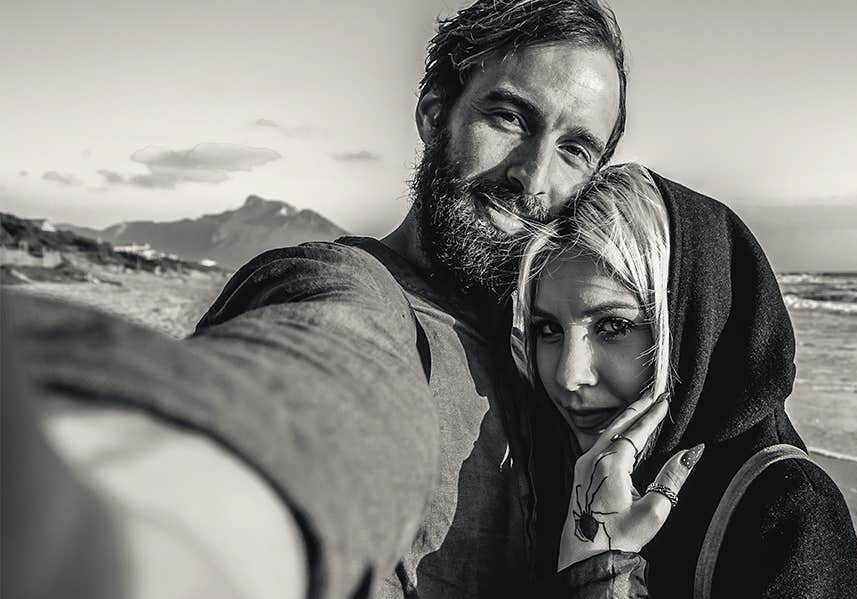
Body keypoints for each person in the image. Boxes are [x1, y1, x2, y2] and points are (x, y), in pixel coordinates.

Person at [3, 1, 628, 598]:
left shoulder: (552, 354)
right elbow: (322, 379)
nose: (534, 175)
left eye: (574, 149)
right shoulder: (347, 287)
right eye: (510, 117)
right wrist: (141, 527)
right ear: (436, 114)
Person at [511, 164, 857, 597]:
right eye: (549, 329)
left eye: (614, 326)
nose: (569, 376)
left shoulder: (788, 513)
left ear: (696, 327)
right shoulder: (542, 466)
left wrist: (600, 573)